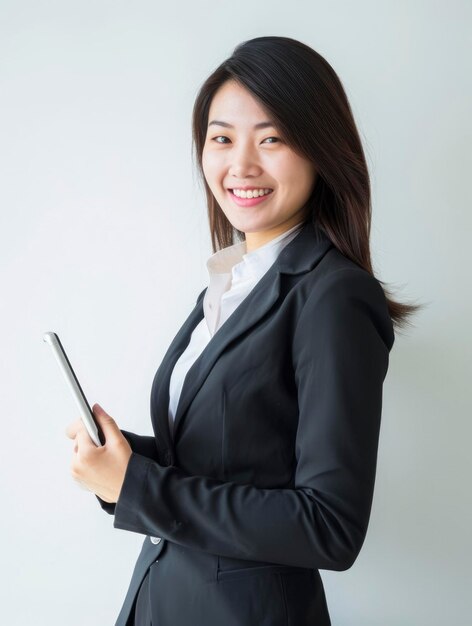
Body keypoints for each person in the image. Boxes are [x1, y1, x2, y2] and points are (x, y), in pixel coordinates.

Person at [65, 36, 420, 626]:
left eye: (272, 138)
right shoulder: (229, 282)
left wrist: (138, 487)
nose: (241, 166)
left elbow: (329, 526)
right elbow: (233, 462)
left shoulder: (334, 296)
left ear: (320, 150)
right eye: (222, 138)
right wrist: (124, 465)